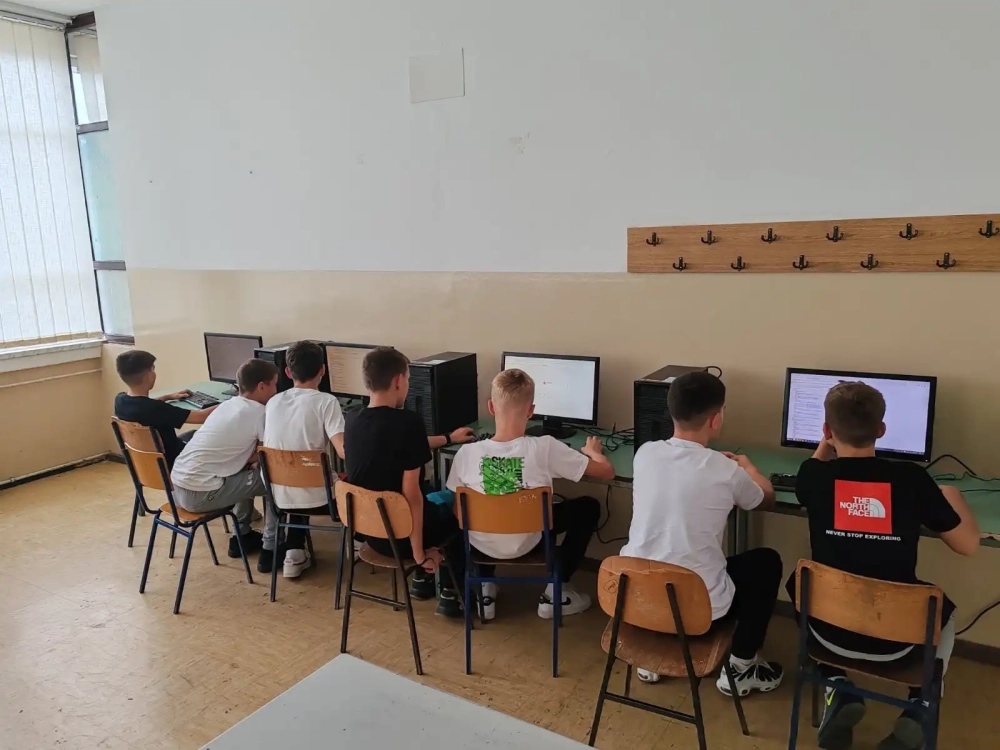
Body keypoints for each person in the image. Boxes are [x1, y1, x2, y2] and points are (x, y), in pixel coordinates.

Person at [793, 382, 979, 750]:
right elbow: (968, 546)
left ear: (827, 430)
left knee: (800, 582)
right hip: (896, 644)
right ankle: (921, 702)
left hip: (827, 636)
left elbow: (812, 466)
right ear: (881, 430)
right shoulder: (911, 479)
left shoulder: (812, 477)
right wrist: (951, 495)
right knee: (943, 607)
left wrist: (826, 443)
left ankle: (837, 683)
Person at [620, 371, 784, 694]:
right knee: (766, 562)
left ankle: (652, 650)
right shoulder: (726, 471)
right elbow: (765, 499)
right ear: (716, 419)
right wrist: (748, 468)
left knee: (669, 563)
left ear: (671, 412)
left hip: (636, 601)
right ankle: (741, 667)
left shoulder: (645, 454)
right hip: (699, 612)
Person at [444, 368, 611, 620]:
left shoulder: (466, 453)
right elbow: (606, 472)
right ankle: (555, 591)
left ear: (491, 407)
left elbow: (458, 512)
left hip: (481, 544)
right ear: (531, 411)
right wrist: (594, 452)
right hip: (529, 541)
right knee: (588, 507)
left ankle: (484, 589)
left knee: (486, 505)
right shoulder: (545, 447)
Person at [344, 346, 474, 618]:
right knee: (461, 506)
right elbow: (412, 495)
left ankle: (422, 582)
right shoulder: (408, 422)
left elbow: (403, 444)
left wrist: (448, 438)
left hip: (373, 533)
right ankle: (450, 592)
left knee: (433, 494)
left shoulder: (353, 419)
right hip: (402, 538)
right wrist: (418, 554)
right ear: (399, 380)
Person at [169, 359, 277, 558]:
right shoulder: (260, 413)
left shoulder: (225, 406)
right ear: (262, 386)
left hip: (176, 488)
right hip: (199, 494)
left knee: (245, 472)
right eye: (275, 385)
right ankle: (272, 547)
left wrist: (250, 461)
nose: (277, 390)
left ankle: (241, 537)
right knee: (273, 480)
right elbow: (266, 455)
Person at [262, 341, 347, 577]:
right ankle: (361, 543)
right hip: (320, 500)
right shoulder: (326, 402)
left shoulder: (273, 401)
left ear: (288, 373)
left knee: (299, 475)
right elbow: (344, 451)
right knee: (350, 480)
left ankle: (295, 553)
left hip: (277, 496)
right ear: (323, 370)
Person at [114, 350, 216, 468]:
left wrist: (168, 397)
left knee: (192, 434)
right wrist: (231, 402)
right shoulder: (155, 409)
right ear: (148, 375)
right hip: (176, 463)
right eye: (152, 369)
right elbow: (201, 417)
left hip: (149, 466)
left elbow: (142, 404)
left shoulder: (120, 400)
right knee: (208, 437)